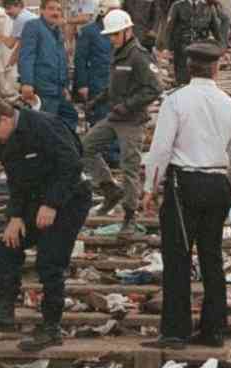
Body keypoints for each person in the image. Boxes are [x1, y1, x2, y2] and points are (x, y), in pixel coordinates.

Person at [140, 40, 231, 350]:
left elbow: (161, 149)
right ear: (216, 68)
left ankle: (175, 331)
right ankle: (214, 330)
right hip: (217, 184)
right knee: (212, 256)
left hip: (183, 185)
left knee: (177, 257)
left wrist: (150, 189)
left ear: (188, 68)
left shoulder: (176, 101)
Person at [0, 99, 92, 351]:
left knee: (50, 260)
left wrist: (52, 204)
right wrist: (15, 216)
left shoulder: (43, 125)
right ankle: (4, 314)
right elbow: (15, 179)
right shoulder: (5, 139)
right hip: (34, 199)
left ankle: (52, 327)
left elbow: (72, 165)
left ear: (5, 119)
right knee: (7, 244)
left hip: (70, 198)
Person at [79, 9, 162, 236]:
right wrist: (97, 101)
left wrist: (127, 106)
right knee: (86, 147)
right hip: (115, 117)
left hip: (131, 121)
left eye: (115, 35)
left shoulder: (139, 56)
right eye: (110, 35)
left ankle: (129, 216)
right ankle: (110, 190)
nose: (112, 39)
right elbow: (115, 85)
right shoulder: (119, 53)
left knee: (129, 168)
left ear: (127, 31)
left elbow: (154, 88)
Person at [18, 0, 78, 130]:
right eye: (51, 8)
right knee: (45, 126)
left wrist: (65, 86)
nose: (55, 12)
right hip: (43, 89)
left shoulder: (57, 31)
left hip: (58, 90)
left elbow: (62, 59)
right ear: (42, 10)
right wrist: (26, 83)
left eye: (58, 9)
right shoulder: (33, 26)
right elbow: (27, 56)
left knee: (71, 117)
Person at [74, 0, 122, 126]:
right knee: (99, 122)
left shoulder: (120, 32)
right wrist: (82, 84)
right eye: (112, 11)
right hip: (96, 85)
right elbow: (80, 59)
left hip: (115, 85)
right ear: (103, 11)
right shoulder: (88, 31)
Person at [162, 0, 223, 86]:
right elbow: (169, 28)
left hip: (201, 50)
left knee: (200, 77)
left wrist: (222, 47)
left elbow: (216, 30)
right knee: (182, 78)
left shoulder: (208, 7)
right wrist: (167, 48)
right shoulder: (178, 6)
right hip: (182, 48)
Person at [0, 0, 38, 69]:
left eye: (9, 8)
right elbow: (21, 45)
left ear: (19, 6)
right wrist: (11, 62)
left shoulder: (20, 19)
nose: (6, 12)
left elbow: (10, 44)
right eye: (5, 9)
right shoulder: (28, 15)